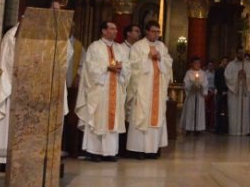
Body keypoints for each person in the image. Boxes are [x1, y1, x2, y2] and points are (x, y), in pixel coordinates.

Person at [76, 21, 131, 161]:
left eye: (116, 29)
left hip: (116, 88)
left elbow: (128, 67)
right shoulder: (95, 47)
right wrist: (106, 67)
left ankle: (110, 152)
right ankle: (95, 152)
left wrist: (122, 68)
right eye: (111, 29)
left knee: (112, 120)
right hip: (100, 89)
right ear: (103, 31)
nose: (115, 31)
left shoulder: (120, 49)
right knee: (98, 118)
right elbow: (89, 68)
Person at [126, 21, 172, 158]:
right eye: (153, 31)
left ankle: (153, 149)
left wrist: (160, 58)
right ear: (146, 31)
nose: (156, 34)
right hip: (143, 89)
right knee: (141, 115)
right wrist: (147, 58)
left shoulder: (161, 46)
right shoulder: (138, 46)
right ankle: (138, 150)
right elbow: (133, 66)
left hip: (157, 89)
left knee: (156, 116)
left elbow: (169, 63)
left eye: (158, 32)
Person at [0, 23, 19, 169]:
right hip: (10, 84)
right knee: (6, 124)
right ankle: (2, 161)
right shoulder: (13, 34)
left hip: (20, 85)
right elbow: (11, 60)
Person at [224, 48, 250, 136]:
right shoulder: (230, 65)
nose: (241, 55)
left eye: (243, 53)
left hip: (244, 90)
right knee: (234, 111)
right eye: (239, 53)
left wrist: (245, 76)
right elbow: (227, 77)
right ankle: (234, 131)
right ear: (236, 53)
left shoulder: (249, 65)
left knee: (244, 111)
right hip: (234, 92)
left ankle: (244, 131)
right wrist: (237, 76)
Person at [181, 58, 208, 133]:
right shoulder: (189, 73)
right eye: (195, 63)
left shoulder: (203, 73)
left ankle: (198, 129)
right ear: (192, 64)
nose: (197, 65)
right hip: (191, 96)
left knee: (198, 112)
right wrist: (192, 85)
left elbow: (206, 83)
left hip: (199, 95)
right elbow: (186, 83)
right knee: (190, 111)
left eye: (198, 63)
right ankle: (189, 128)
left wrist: (201, 85)